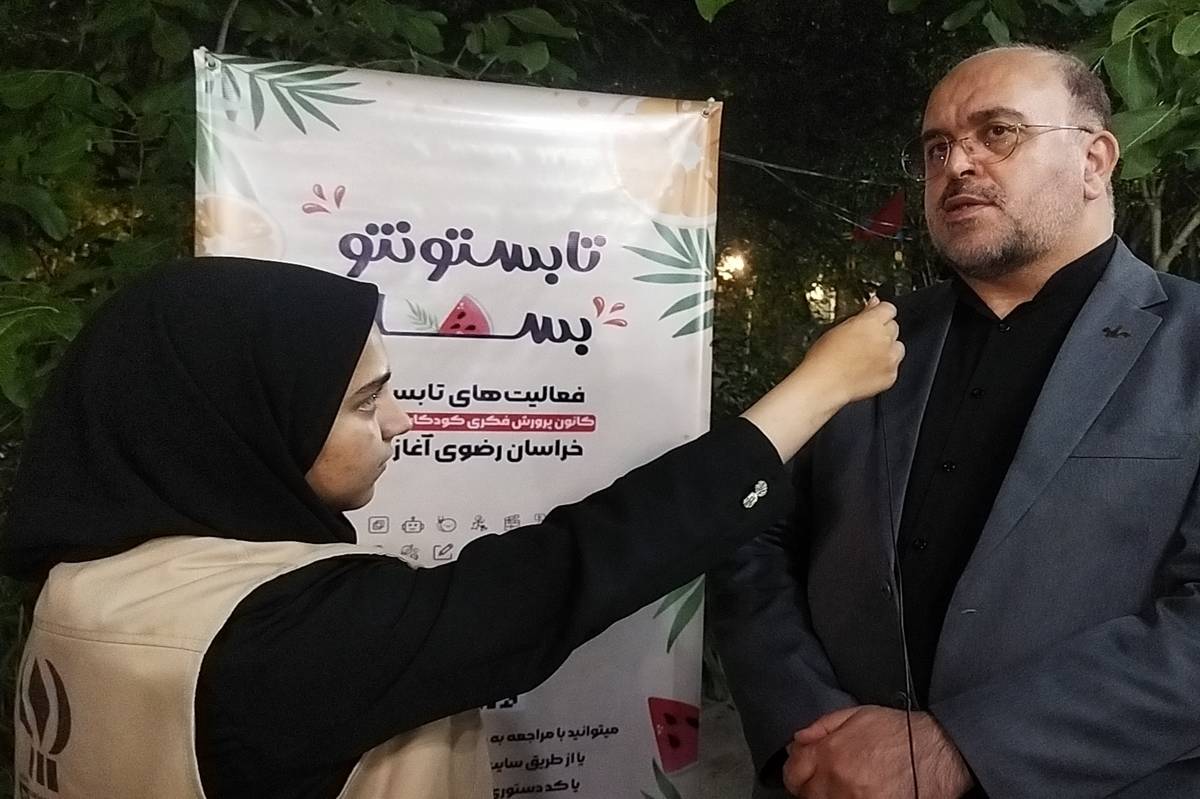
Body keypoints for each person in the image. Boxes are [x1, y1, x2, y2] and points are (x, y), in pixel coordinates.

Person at [1, 256, 902, 799]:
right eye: (366, 403)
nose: (400, 422)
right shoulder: (283, 638)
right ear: (246, 426)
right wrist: (820, 385)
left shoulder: (86, 584)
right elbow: (573, 567)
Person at [711, 43, 1200, 798]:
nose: (957, 164)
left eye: (997, 132)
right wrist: (804, 728)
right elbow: (756, 536)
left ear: (1095, 161)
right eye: (937, 147)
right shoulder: (863, 344)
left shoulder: (1188, 344)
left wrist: (961, 749)